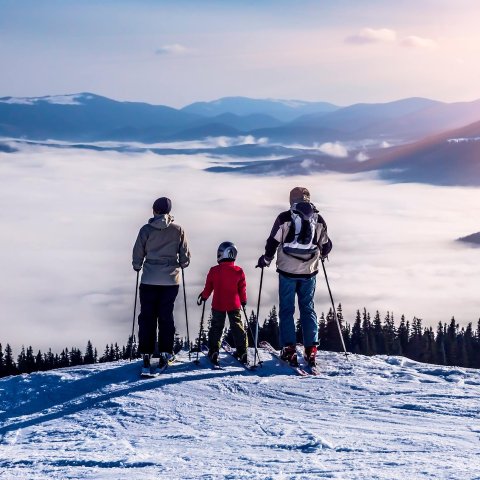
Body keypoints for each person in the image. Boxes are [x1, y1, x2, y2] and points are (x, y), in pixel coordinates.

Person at [256, 187, 332, 367]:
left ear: (291, 200)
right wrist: (321, 253)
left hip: (287, 271)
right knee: (307, 308)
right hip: (309, 271)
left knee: (287, 309)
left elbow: (272, 242)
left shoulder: (284, 218)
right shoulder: (318, 219)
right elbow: (326, 245)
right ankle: (311, 349)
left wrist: (266, 259)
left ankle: (289, 349)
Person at [132, 197, 190, 374]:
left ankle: (147, 354)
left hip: (149, 279)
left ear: (154, 210)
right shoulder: (178, 230)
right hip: (170, 282)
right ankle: (166, 352)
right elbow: (185, 258)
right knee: (166, 316)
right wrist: (180, 264)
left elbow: (137, 253)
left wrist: (137, 266)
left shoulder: (146, 230)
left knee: (147, 317)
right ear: (169, 212)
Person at [198, 242, 248, 365]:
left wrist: (204, 296)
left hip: (218, 303)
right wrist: (243, 300)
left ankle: (214, 351)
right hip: (234, 304)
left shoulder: (214, 270)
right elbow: (242, 289)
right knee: (237, 326)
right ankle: (242, 351)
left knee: (216, 327)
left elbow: (208, 287)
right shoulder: (239, 271)